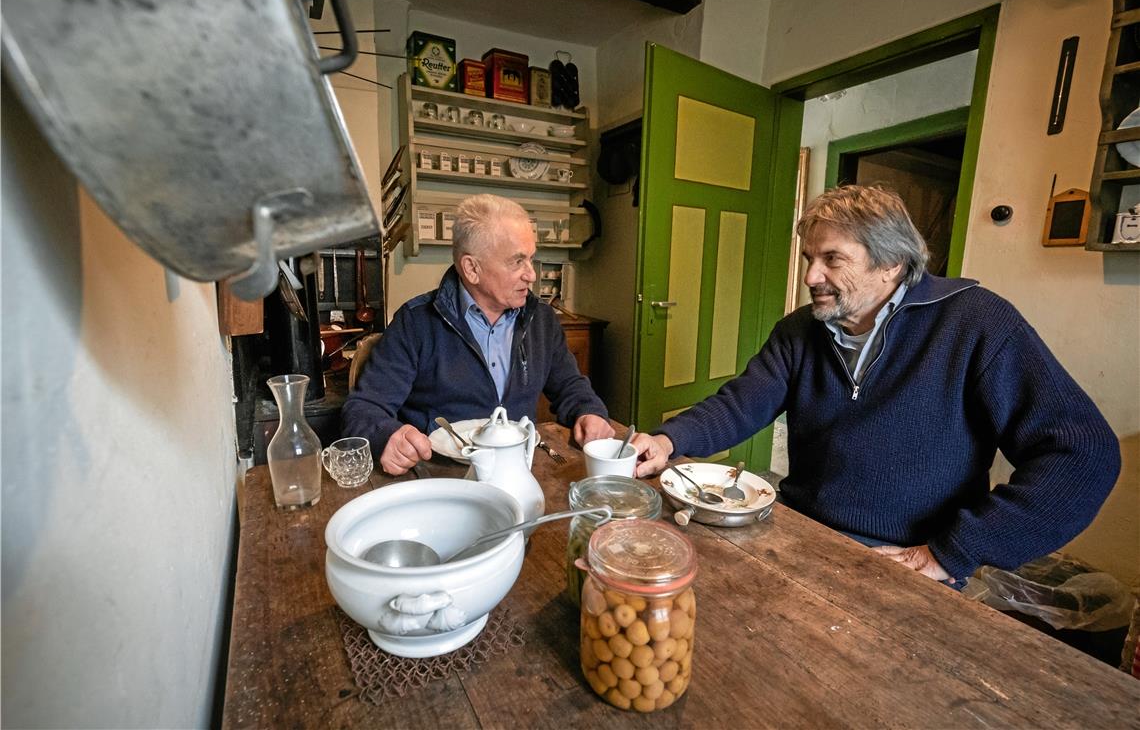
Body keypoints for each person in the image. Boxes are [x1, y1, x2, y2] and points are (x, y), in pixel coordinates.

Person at [633, 185, 1120, 585]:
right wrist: (669, 439)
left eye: (831, 259)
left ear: (891, 264)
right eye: (809, 257)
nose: (810, 275)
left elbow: (1084, 455)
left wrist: (953, 552)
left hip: (906, 562)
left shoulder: (977, 323)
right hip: (799, 534)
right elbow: (742, 403)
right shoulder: (801, 330)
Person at [343, 193, 613, 475]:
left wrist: (588, 411)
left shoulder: (541, 320)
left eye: (531, 259)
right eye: (517, 261)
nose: (531, 275)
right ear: (472, 268)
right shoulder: (416, 322)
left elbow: (569, 385)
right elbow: (364, 407)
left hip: (517, 472)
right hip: (440, 476)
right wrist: (387, 436)